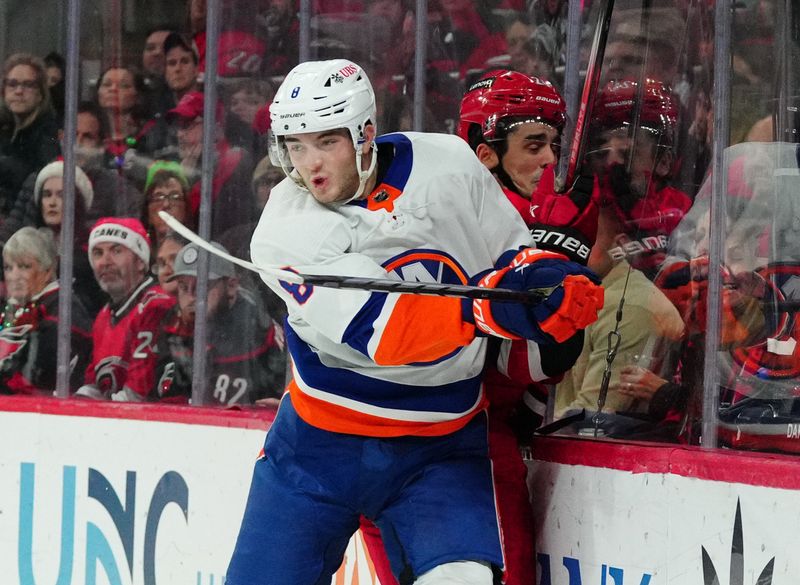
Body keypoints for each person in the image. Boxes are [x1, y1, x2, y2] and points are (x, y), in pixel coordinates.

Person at [225, 59, 603, 585]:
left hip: (441, 451)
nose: (309, 165)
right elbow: (389, 331)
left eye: (327, 142)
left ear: (365, 134)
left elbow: (512, 256)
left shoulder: (449, 162)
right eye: (296, 145)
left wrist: (554, 284)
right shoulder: (284, 231)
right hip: (318, 452)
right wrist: (488, 305)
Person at [153, 241, 286, 405]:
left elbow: (274, 401)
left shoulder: (259, 329)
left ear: (231, 286)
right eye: (183, 286)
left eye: (202, 286)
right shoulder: (172, 326)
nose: (191, 297)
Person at [75, 217, 174, 401]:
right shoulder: (103, 317)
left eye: (116, 251)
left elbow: (138, 394)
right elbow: (93, 385)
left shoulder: (155, 306)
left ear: (140, 262)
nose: (105, 261)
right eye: (98, 253)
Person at [0, 227, 93, 394]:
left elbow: (35, 379)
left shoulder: (63, 309)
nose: (14, 276)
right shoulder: (17, 308)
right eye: (8, 268)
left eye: (24, 266)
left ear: (47, 270)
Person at [166, 90, 256, 240]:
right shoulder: (187, 166)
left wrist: (186, 182)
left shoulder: (234, 159)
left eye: (188, 125)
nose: (179, 134)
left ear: (215, 126)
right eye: (178, 126)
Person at [32, 161, 107, 315]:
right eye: (47, 195)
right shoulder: (30, 246)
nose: (52, 203)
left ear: (77, 202)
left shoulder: (91, 251)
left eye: (62, 195)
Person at [0, 53, 60, 217]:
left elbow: (41, 178)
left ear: (41, 93)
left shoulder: (50, 132)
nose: (19, 91)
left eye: (28, 85)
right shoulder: (4, 127)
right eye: (12, 84)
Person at [142, 160, 193, 251]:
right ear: (147, 210)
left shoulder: (200, 255)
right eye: (158, 198)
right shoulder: (140, 256)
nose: (166, 204)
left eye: (175, 197)